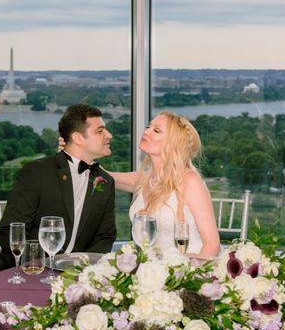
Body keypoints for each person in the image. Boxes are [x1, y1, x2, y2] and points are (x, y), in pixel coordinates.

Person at [60, 111, 220, 259]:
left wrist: (182, 279)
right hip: (152, 274)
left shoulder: (189, 180)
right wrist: (74, 149)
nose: (146, 132)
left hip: (188, 274)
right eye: (148, 127)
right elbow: (98, 175)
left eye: (156, 131)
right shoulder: (145, 179)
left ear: (174, 143)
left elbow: (212, 246)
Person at [0, 104, 116, 274]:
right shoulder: (37, 172)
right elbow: (11, 231)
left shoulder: (105, 182)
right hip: (26, 271)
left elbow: (105, 237)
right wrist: (37, 266)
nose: (109, 135)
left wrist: (85, 272)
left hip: (77, 277)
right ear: (78, 138)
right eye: (100, 131)